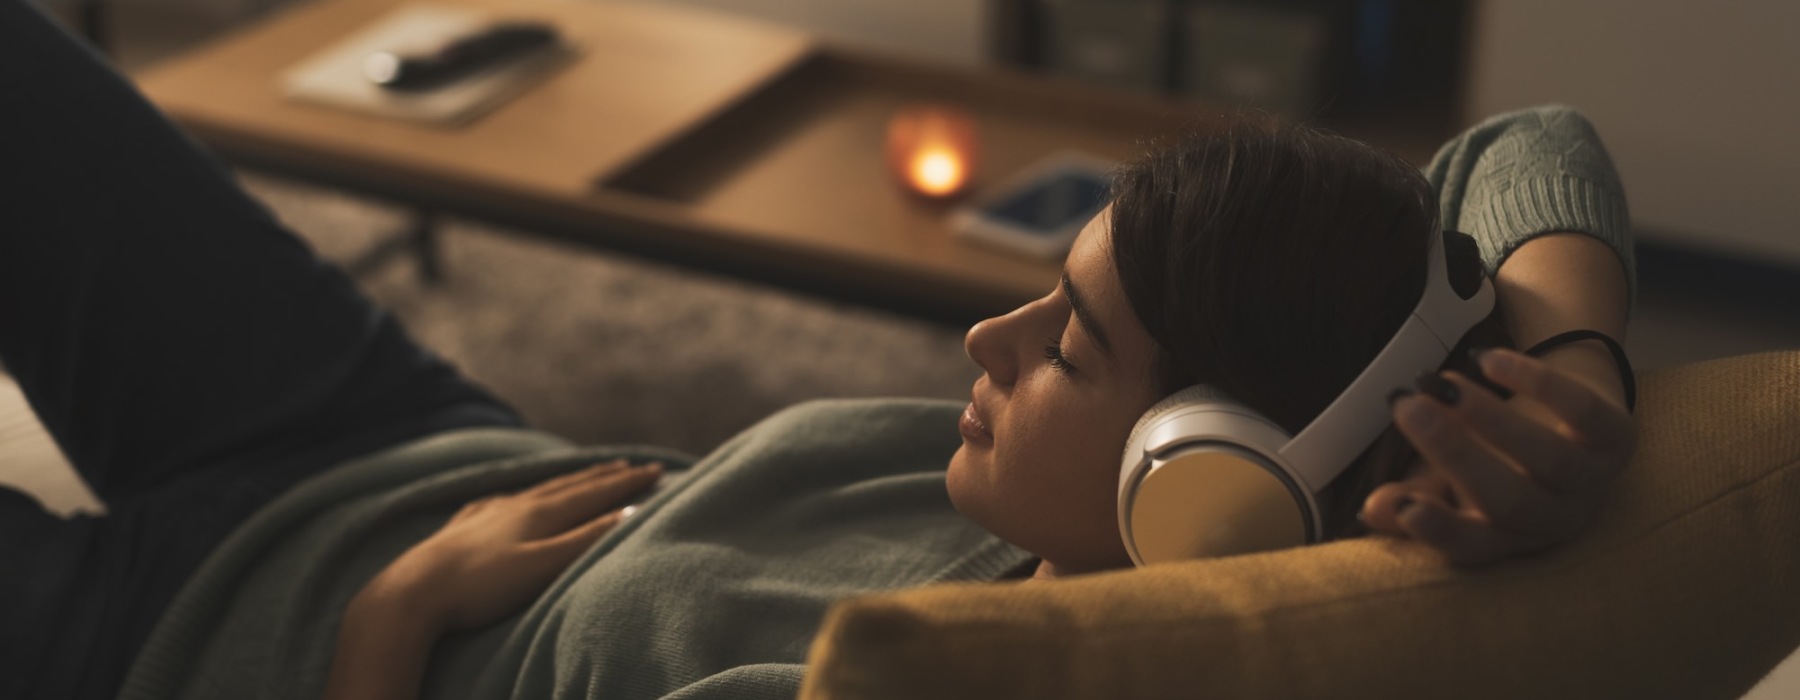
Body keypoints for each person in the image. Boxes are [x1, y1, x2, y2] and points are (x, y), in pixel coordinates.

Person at [0, 1, 1635, 699]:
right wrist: (1569, 372)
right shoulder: (1063, 525)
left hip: (171, 645)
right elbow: (1528, 135)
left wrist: (397, 613)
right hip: (390, 432)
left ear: (1199, 482)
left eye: (1071, 345)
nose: (985, 339)